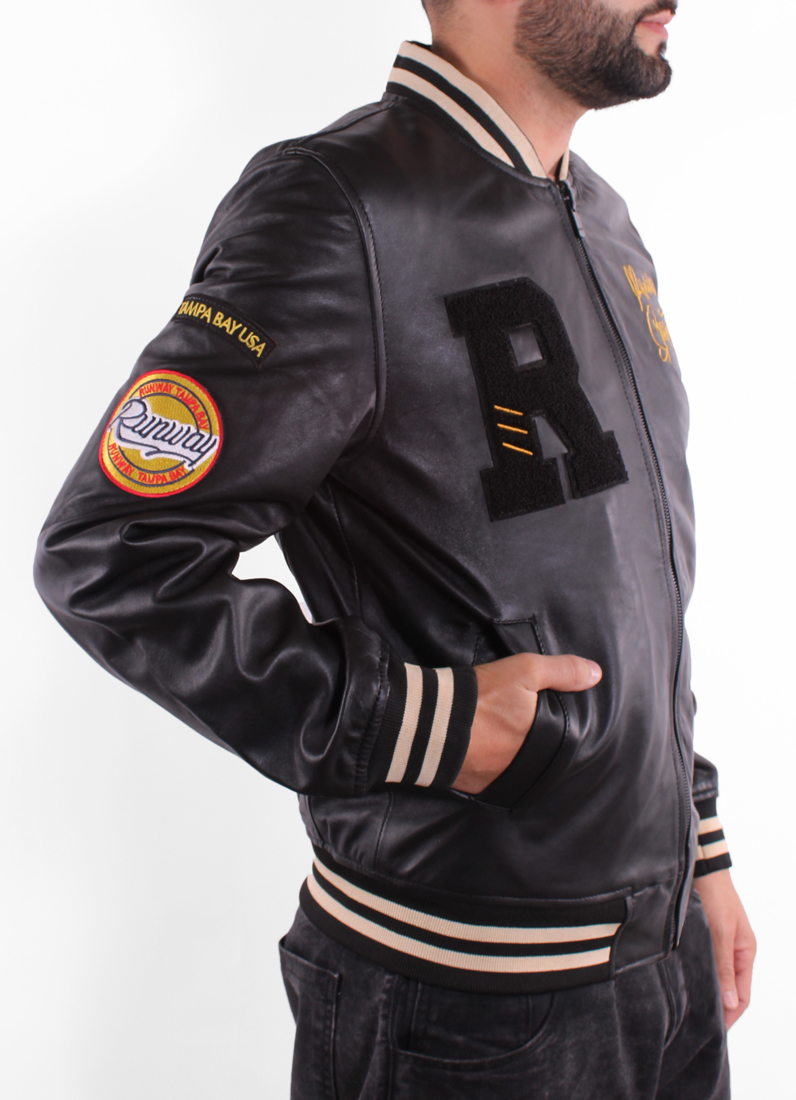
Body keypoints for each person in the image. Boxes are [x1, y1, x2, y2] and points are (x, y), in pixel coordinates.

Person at [34, 0, 756, 1096]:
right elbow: (113, 555)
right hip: (467, 1004)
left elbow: (628, 584)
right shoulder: (337, 210)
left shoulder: (601, 216)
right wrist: (425, 722)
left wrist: (695, 844)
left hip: (665, 962)